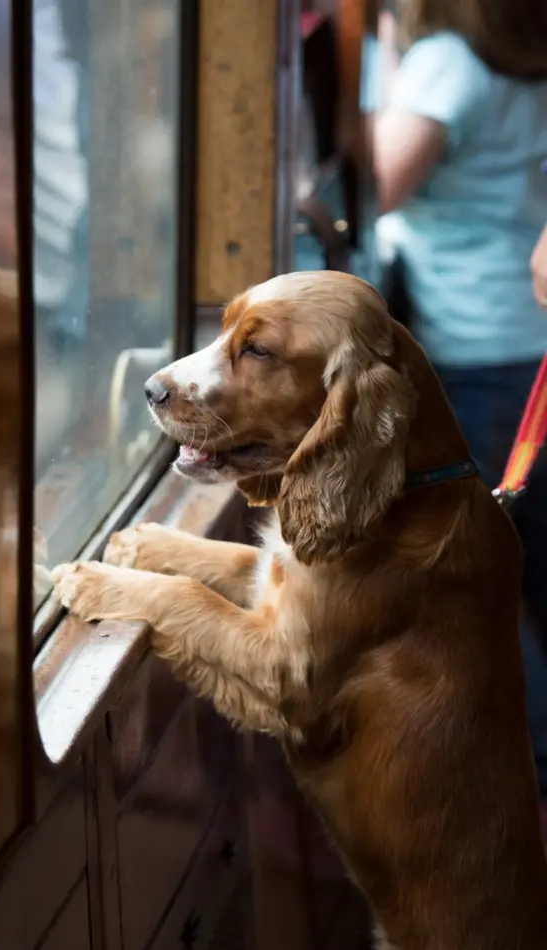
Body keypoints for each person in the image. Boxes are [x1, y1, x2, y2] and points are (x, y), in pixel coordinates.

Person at [372, 0, 547, 826]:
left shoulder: (446, 62)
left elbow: (382, 178)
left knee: (487, 592)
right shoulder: (524, 56)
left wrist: (379, 62)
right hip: (524, 340)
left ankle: (527, 783)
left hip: (476, 353)